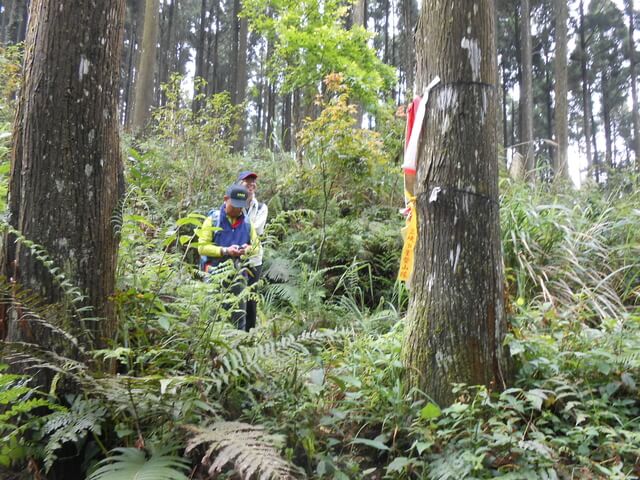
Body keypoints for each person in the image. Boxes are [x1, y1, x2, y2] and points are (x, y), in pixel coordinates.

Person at [197, 183, 260, 331]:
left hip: (238, 275)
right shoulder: (213, 220)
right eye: (235, 205)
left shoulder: (247, 223)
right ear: (226, 199)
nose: (238, 210)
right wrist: (225, 251)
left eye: (241, 206)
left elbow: (257, 247)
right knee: (213, 317)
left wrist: (248, 249)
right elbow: (202, 247)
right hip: (214, 274)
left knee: (239, 317)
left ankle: (237, 348)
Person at [237, 171, 269, 331]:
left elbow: (255, 229)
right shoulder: (233, 204)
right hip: (234, 257)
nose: (251, 184)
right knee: (235, 295)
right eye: (247, 181)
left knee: (251, 298)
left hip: (254, 258)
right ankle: (235, 332)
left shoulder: (262, 208)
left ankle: (249, 334)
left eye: (253, 182)